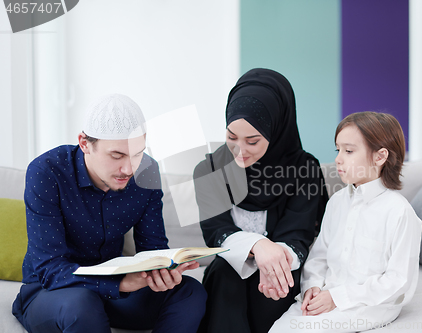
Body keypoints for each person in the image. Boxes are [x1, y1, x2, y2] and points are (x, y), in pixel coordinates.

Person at [12, 94, 207, 333]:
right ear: (84, 143)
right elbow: (49, 268)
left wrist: (162, 272)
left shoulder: (146, 171)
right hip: (53, 292)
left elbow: (153, 248)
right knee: (82, 304)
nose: (129, 169)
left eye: (137, 154)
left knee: (190, 292)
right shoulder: (47, 172)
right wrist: (120, 283)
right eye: (117, 156)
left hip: (117, 295)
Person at [193, 68, 329, 333]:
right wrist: (258, 246)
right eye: (232, 138)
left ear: (277, 129)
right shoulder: (209, 169)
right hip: (228, 272)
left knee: (277, 283)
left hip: (283, 271)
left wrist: (273, 260)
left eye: (252, 141)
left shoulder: (304, 169)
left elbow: (298, 235)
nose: (239, 152)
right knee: (225, 273)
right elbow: (216, 232)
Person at [269, 111, 422, 333]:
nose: (338, 159)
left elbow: (398, 281)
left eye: (349, 151)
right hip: (328, 294)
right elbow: (319, 257)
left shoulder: (399, 212)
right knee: (278, 329)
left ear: (380, 157)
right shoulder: (337, 202)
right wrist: (311, 286)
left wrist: (337, 297)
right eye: (338, 150)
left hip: (370, 304)